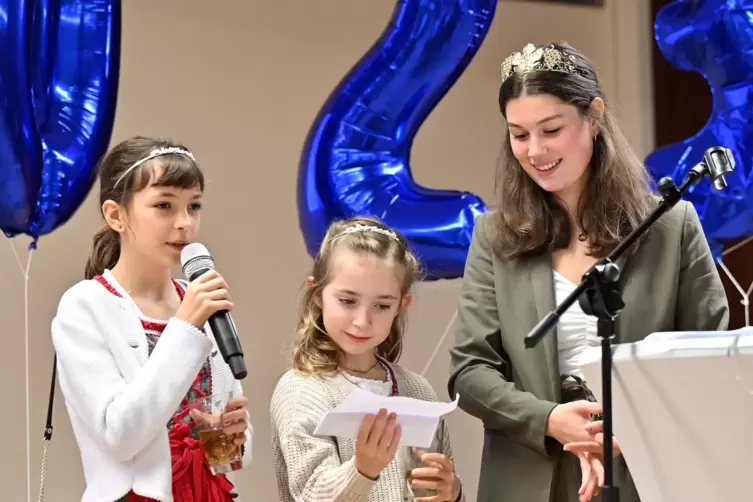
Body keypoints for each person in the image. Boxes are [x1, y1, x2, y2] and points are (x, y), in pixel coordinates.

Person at [447, 42, 729, 502]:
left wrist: (624, 427)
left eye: (551, 129)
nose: (535, 151)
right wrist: (549, 419)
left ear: (594, 116)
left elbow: (711, 363)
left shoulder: (672, 226)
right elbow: (471, 373)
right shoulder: (495, 236)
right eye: (519, 135)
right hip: (528, 479)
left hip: (647, 473)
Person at [50, 137, 253, 502]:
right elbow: (121, 435)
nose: (184, 223)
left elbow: (230, 455)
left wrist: (230, 436)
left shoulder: (202, 301)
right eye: (164, 205)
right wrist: (185, 327)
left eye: (194, 206)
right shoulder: (85, 307)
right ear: (116, 215)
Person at [270, 216, 464, 502]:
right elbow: (311, 494)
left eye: (382, 305)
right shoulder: (301, 391)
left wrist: (453, 492)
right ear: (317, 295)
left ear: (402, 305)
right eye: (347, 301)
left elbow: (436, 482)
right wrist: (363, 470)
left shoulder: (419, 391)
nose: (362, 321)